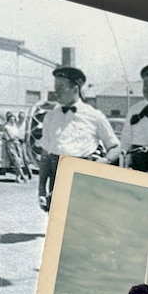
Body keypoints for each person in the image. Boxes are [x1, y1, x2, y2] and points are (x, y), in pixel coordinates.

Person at [38, 66, 120, 210]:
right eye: (55, 87)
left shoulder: (94, 116)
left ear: (75, 89)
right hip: (56, 173)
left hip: (83, 176)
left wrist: (105, 160)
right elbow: (45, 155)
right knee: (57, 225)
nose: (56, 92)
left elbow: (115, 146)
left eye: (61, 87)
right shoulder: (50, 116)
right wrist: (41, 189)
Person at [4, 112, 31, 184]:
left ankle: (18, 177)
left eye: (13, 119)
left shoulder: (15, 126)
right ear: (8, 120)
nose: (12, 121)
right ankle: (24, 177)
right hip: (11, 144)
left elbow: (19, 134)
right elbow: (11, 136)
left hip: (17, 143)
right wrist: (16, 137)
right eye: (11, 120)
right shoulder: (7, 127)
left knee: (20, 160)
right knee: (16, 161)